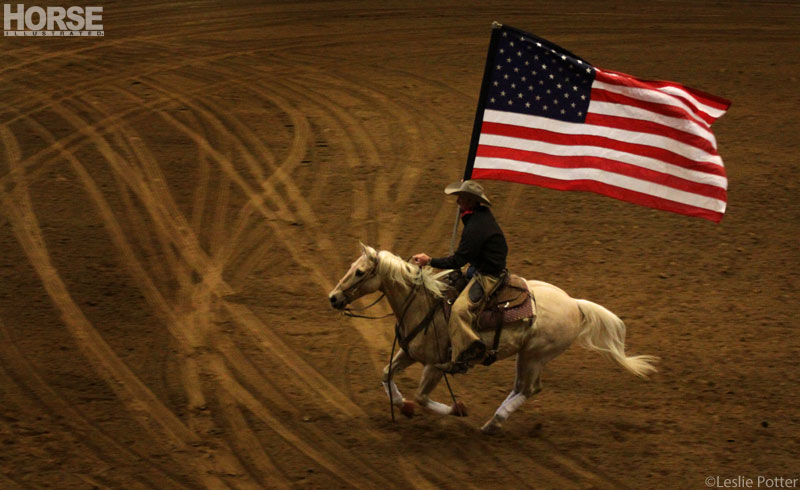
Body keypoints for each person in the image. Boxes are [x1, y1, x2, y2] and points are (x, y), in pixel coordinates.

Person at [413, 180, 508, 373]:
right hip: (479, 267)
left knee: (459, 310)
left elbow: (458, 260)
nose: (458, 202)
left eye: (462, 198)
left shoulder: (475, 226)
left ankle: (467, 353)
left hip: (488, 275)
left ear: (472, 201)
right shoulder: (477, 217)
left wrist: (429, 260)